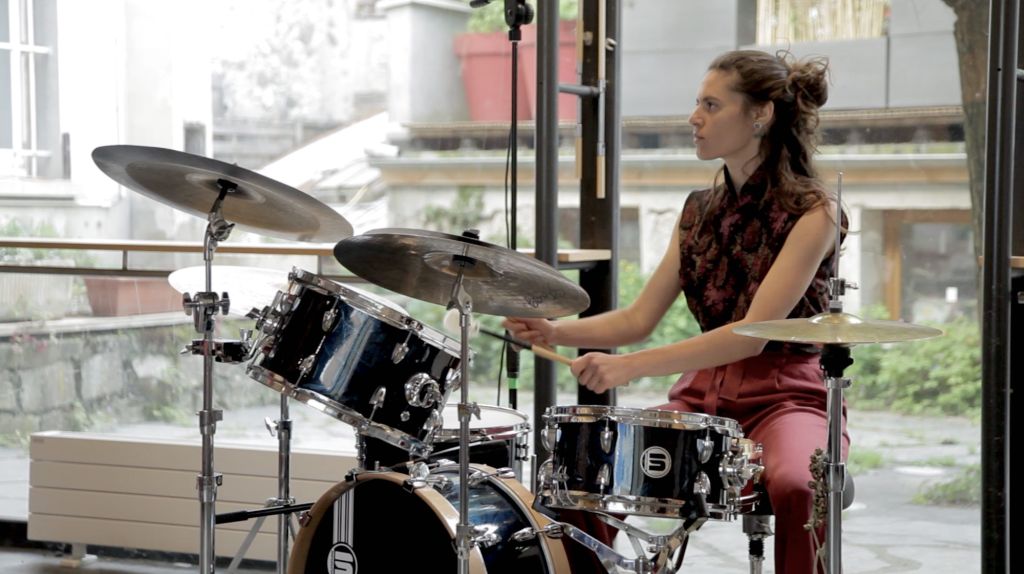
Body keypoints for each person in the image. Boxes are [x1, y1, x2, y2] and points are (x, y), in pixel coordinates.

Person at [504, 49, 849, 574]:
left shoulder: (814, 211)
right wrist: (553, 330)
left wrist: (628, 366)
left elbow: (752, 334)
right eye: (697, 104)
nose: (694, 118)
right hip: (705, 395)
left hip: (788, 396)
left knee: (800, 484)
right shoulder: (697, 211)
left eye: (711, 105)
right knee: (583, 473)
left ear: (760, 115)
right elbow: (637, 320)